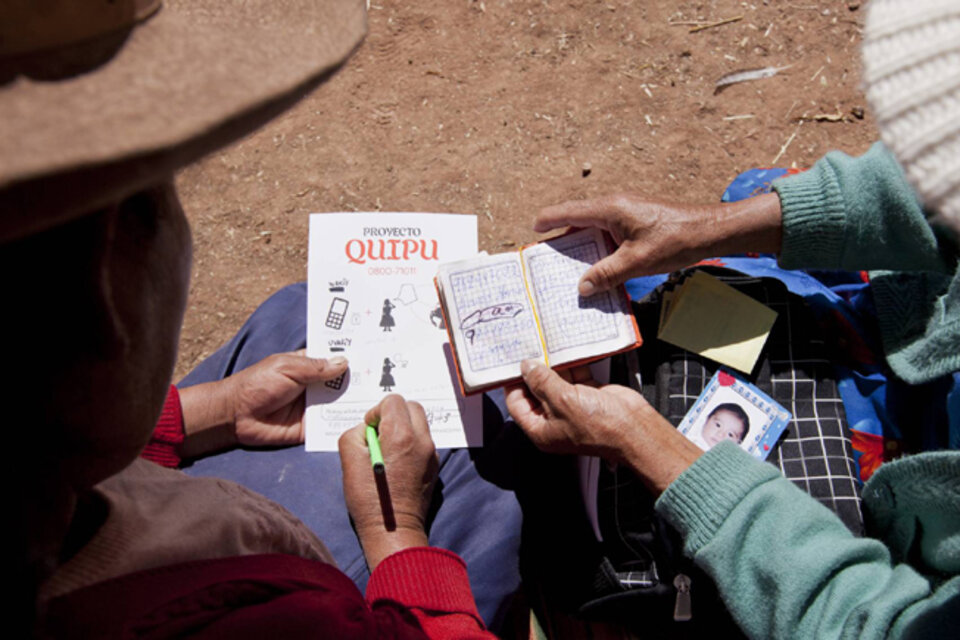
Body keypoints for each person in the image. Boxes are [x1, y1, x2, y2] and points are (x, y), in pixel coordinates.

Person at [4, 2, 499, 637]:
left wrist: (206, 412)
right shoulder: (268, 622)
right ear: (106, 291)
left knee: (297, 310)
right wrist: (396, 528)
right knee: (486, 448)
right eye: (166, 200)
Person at [505, 0, 960, 637]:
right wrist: (702, 229)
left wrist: (646, 444)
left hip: (881, 534)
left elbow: (865, 623)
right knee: (746, 204)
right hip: (912, 317)